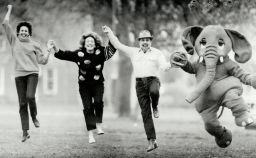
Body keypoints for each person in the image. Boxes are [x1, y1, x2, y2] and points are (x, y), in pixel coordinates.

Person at [102, 26, 171, 152]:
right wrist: (110, 33)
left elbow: (164, 66)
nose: (145, 42)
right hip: (139, 84)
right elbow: (118, 45)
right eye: (142, 40)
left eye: (147, 40)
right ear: (139, 42)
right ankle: (152, 141)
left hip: (153, 80)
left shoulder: (157, 53)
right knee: (145, 113)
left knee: (154, 92)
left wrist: (171, 64)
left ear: (151, 41)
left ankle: (155, 106)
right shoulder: (133, 52)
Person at [47, 31, 116, 144]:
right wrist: (54, 47)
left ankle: (98, 125)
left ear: (95, 43)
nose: (89, 43)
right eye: (87, 41)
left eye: (92, 41)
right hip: (84, 87)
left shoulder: (101, 52)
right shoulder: (79, 54)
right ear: (84, 44)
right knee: (88, 108)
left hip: (98, 84)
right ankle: (90, 134)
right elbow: (64, 54)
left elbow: (112, 48)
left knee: (98, 102)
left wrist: (109, 34)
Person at [2, 5, 51, 142]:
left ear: (29, 33)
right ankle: (25, 132)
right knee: (22, 103)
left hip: (32, 74)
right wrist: (10, 10)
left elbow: (43, 61)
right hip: (19, 75)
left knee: (30, 96)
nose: (23, 32)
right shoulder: (14, 41)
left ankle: (34, 116)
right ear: (18, 32)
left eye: (26, 30)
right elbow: (5, 24)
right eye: (21, 30)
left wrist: (48, 51)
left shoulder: (35, 44)